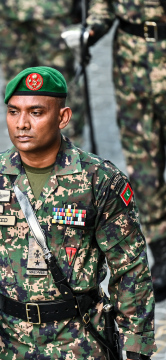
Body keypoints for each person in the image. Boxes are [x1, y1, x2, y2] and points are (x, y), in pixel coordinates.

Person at [0, 67, 156, 360]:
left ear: (63, 117)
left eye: (36, 112)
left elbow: (130, 269)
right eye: (14, 112)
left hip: (82, 356)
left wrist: (137, 351)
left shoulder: (98, 181)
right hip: (12, 355)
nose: (22, 124)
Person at [83, 0, 166, 302]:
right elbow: (102, 6)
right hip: (133, 67)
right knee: (143, 166)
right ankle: (161, 253)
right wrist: (90, 31)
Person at [0, 0, 84, 145]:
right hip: (4, 10)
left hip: (52, 10)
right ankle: (25, 149)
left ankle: (69, 150)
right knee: (15, 84)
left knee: (58, 83)